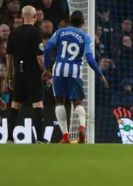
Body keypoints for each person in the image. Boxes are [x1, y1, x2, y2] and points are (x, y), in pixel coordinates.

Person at [43, 11, 109, 144]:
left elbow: (48, 48)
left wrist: (46, 68)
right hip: (75, 71)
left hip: (58, 70)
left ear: (70, 21)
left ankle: (66, 136)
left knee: (59, 102)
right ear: (83, 23)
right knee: (77, 103)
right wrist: (100, 75)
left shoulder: (60, 32)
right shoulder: (85, 37)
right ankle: (82, 133)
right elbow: (90, 58)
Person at [6, 5, 46, 144]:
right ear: (35, 17)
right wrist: (46, 71)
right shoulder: (36, 33)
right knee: (37, 104)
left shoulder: (14, 33)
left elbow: (9, 58)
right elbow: (40, 57)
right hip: (33, 72)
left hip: (18, 73)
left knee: (15, 105)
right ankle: (39, 139)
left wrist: (10, 76)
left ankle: (10, 138)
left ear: (22, 17)